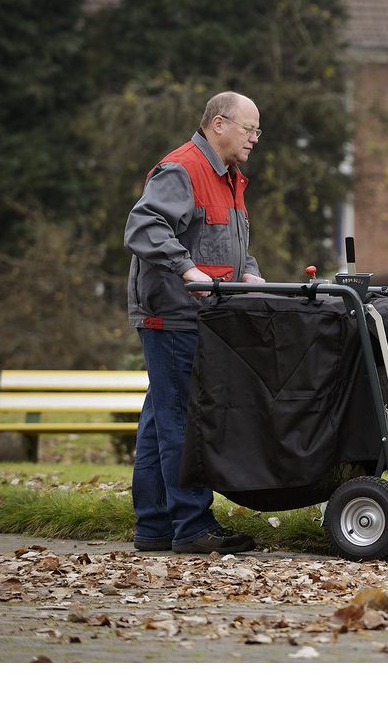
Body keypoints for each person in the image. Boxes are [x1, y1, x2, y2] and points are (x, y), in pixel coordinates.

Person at [124, 91, 266, 554]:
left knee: (158, 419)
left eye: (257, 131)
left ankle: (154, 525)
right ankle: (192, 526)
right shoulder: (182, 168)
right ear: (219, 124)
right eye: (249, 129)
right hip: (173, 315)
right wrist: (187, 270)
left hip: (197, 316)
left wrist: (250, 272)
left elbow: (225, 240)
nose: (254, 139)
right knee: (180, 420)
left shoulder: (228, 178)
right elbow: (144, 227)